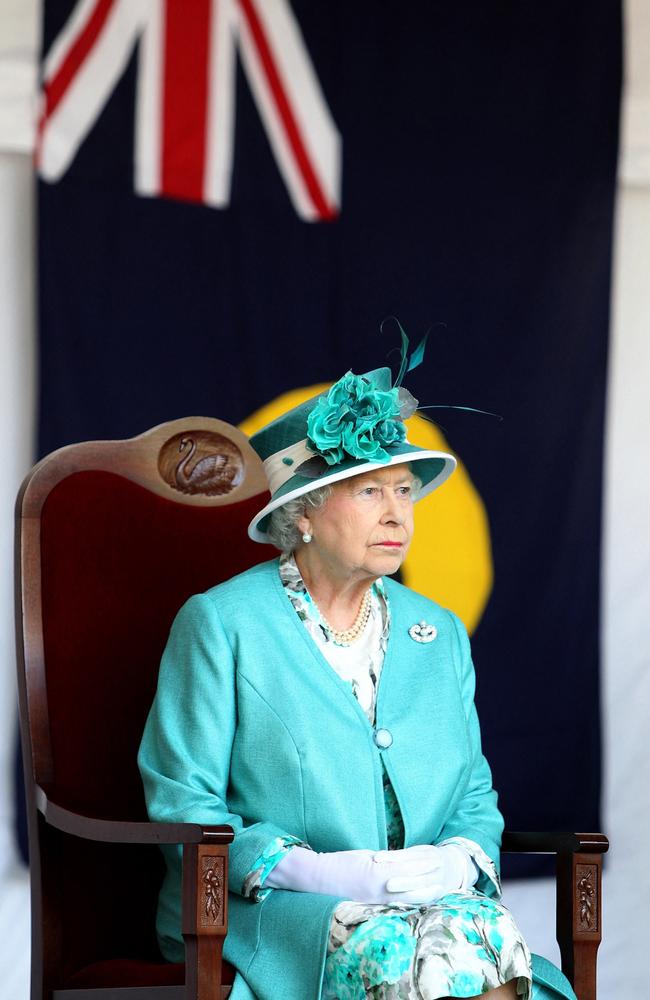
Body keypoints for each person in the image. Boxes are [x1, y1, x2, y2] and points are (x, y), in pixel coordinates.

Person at [138, 355, 578, 1000]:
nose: (399, 514)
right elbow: (184, 804)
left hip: (426, 911)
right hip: (267, 915)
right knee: (414, 951)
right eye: (370, 491)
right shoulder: (220, 624)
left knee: (478, 931)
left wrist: (456, 860)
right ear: (304, 515)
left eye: (404, 490)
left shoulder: (440, 632)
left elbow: (473, 794)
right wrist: (321, 873)